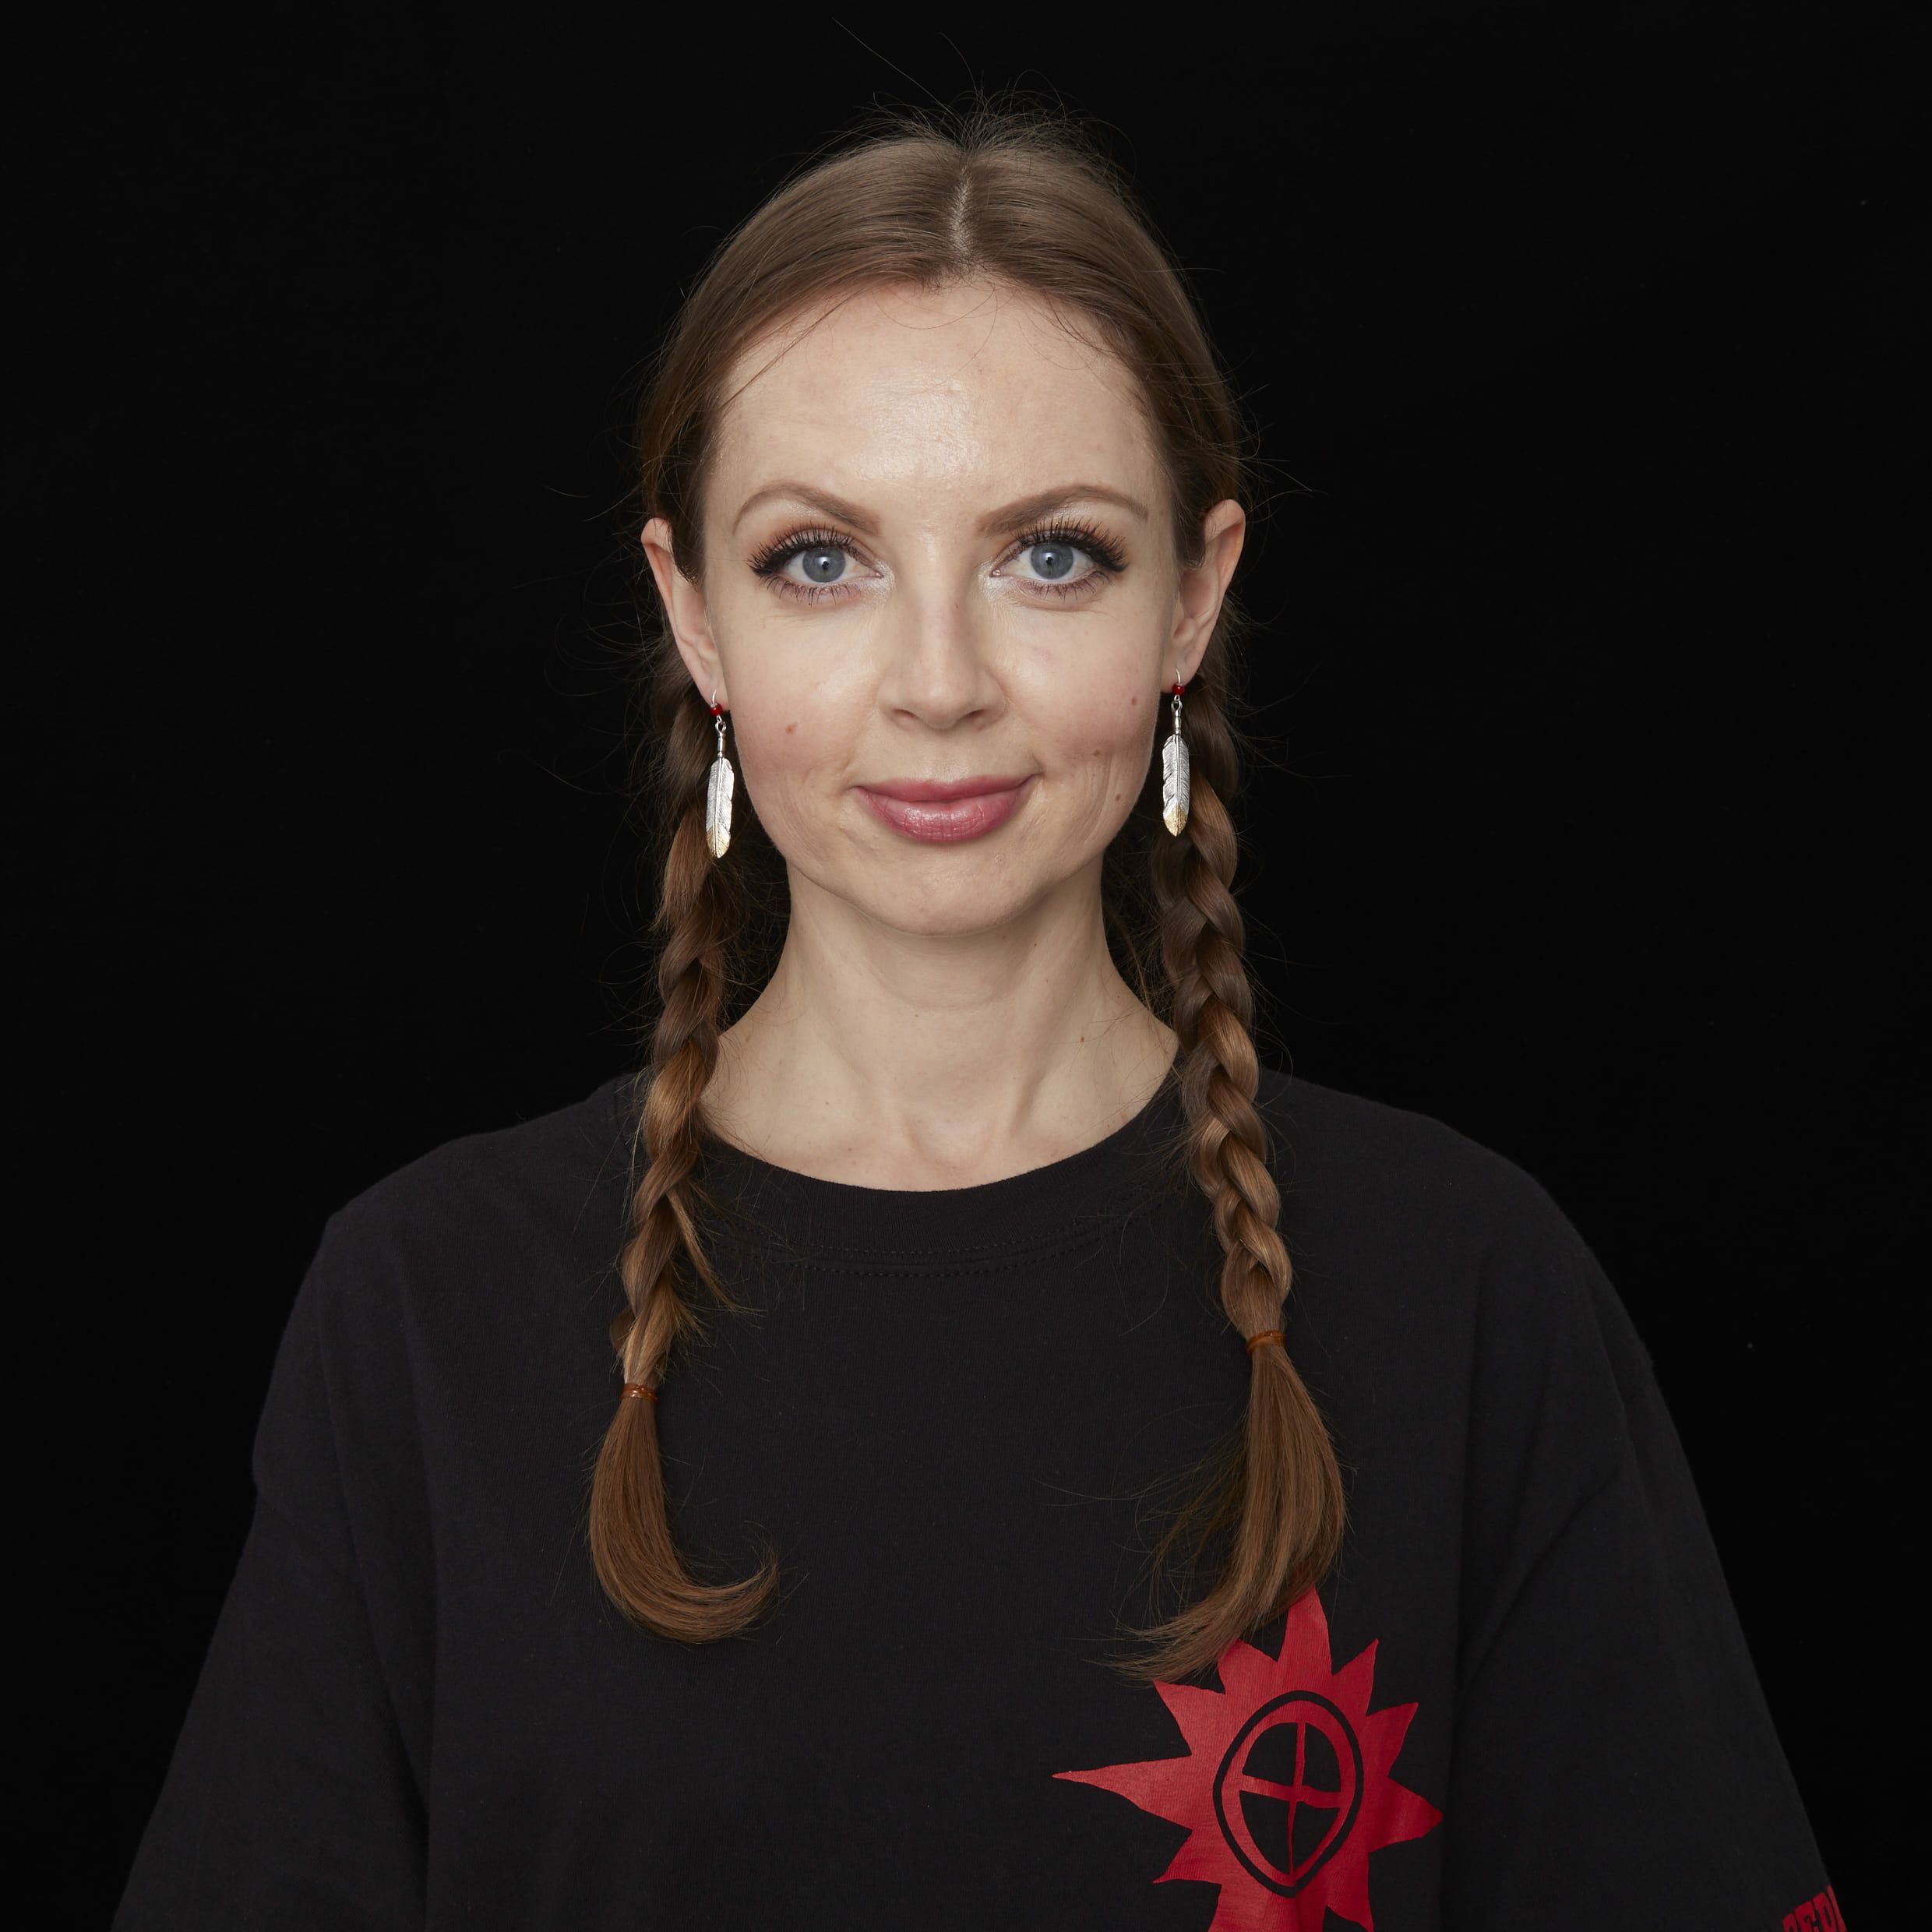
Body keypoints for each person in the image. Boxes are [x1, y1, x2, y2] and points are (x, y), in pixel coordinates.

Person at [115, 100, 1844, 1931]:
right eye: (820, 559)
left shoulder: (1474, 1290)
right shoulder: (420, 1309)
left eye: (1051, 554)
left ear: (1193, 597)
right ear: (692, 616)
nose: (938, 683)